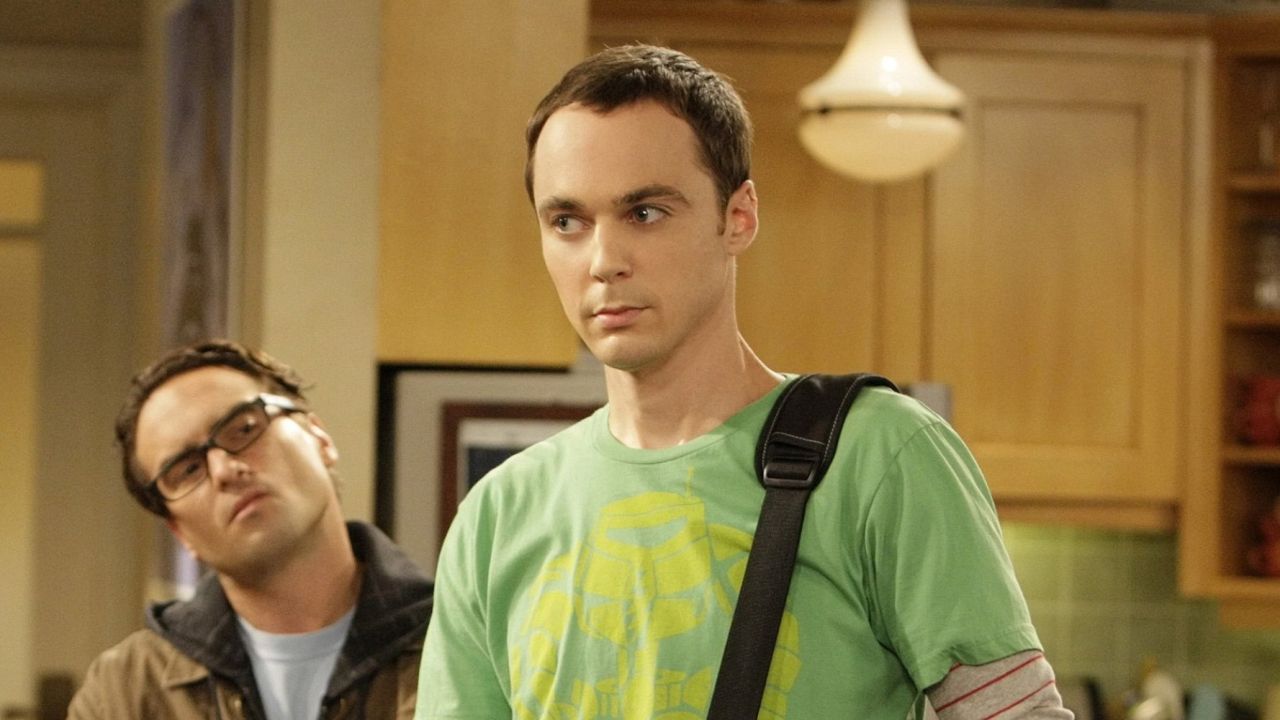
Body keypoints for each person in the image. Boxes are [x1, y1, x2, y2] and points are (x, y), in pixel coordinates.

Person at [417, 45, 1071, 720]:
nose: (603, 260)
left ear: (739, 217)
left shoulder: (881, 456)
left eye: (645, 213)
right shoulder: (497, 516)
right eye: (567, 222)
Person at [68, 340, 433, 719]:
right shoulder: (127, 692)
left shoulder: (456, 640)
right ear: (179, 532)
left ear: (319, 439)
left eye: (243, 429)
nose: (225, 470)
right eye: (188, 470)